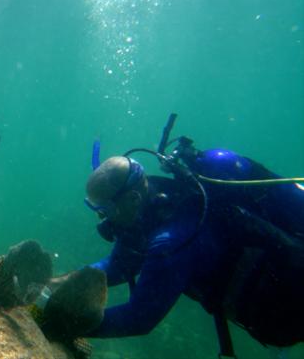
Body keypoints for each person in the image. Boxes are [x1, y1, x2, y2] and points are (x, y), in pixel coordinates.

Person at [41, 152, 304, 354]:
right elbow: (120, 265)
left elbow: (139, 318)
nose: (103, 219)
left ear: (132, 198)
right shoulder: (150, 205)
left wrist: (64, 324)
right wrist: (56, 285)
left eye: (106, 210)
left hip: (289, 308)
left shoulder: (170, 243)